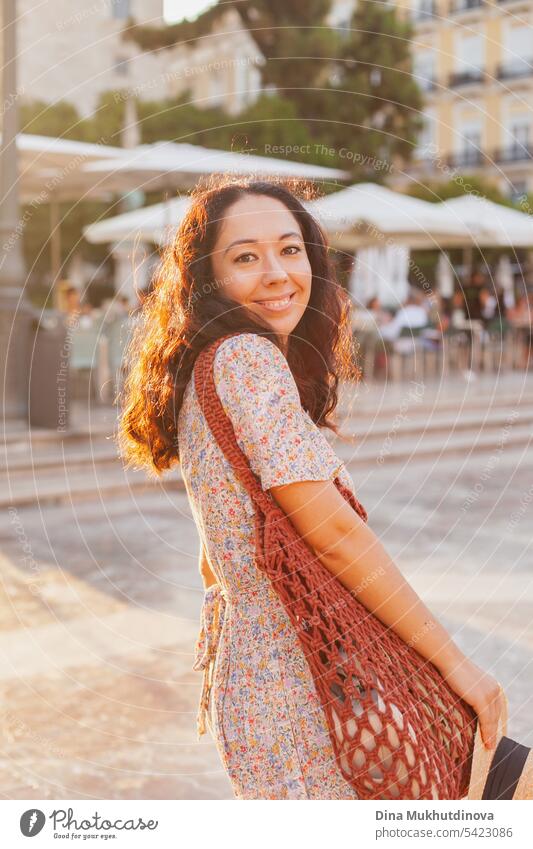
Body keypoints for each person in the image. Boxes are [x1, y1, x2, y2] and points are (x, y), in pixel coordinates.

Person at [117, 178, 503, 800]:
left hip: (281, 684)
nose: (276, 273)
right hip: (301, 696)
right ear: (208, 278)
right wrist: (458, 667)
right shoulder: (245, 358)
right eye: (245, 256)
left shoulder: (205, 367)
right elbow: (337, 535)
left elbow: (212, 561)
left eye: (290, 249)